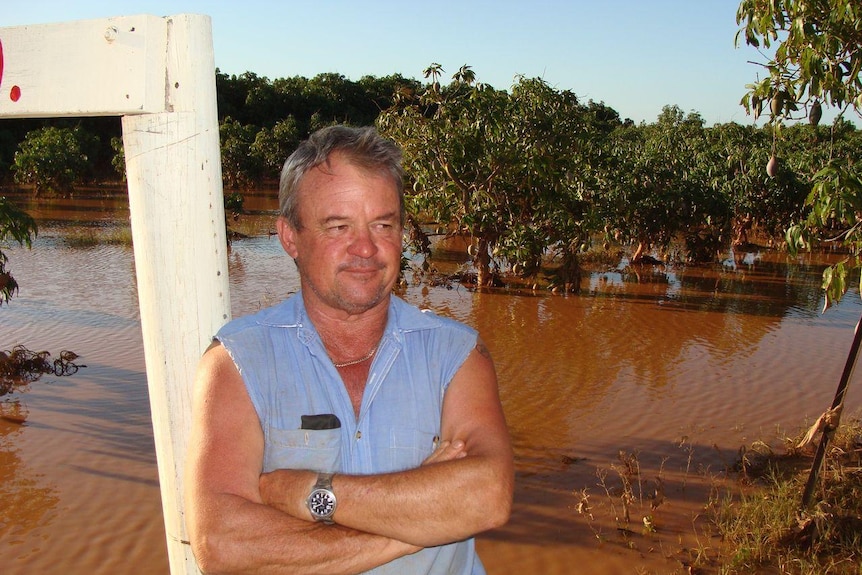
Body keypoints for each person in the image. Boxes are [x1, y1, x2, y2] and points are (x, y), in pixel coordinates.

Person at [184, 125, 514, 574]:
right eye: (338, 226)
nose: (366, 248)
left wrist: (308, 493)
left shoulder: (456, 354)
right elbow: (222, 544)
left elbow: (487, 495)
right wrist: (421, 523)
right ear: (290, 238)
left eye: (383, 224)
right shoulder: (237, 363)